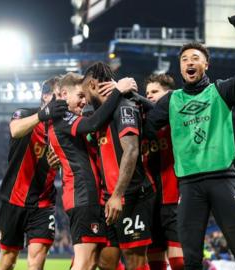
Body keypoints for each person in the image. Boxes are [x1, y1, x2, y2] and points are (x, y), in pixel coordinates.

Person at [145, 14, 235, 270]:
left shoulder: (221, 91)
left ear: (206, 65)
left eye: (195, 58)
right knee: (191, 261)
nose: (189, 62)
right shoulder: (171, 101)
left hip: (222, 179)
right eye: (184, 59)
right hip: (189, 186)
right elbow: (145, 127)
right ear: (180, 68)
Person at [48, 72, 136, 270]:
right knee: (85, 263)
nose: (84, 101)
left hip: (91, 198)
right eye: (80, 96)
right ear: (63, 94)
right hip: (82, 198)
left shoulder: (71, 119)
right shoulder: (63, 117)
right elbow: (93, 122)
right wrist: (118, 91)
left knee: (101, 260)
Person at [82, 62, 154, 270]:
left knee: (135, 260)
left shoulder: (124, 106)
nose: (85, 99)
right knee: (106, 261)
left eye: (86, 91)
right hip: (109, 199)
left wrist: (117, 195)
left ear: (94, 85)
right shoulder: (101, 114)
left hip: (131, 196)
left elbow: (131, 151)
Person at [0, 76, 67, 270]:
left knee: (36, 264)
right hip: (13, 199)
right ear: (46, 96)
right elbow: (15, 130)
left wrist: (61, 162)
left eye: (64, 95)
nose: (63, 99)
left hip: (43, 203)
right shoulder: (24, 114)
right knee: (8, 261)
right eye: (59, 95)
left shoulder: (65, 126)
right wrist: (42, 115)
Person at [142, 74, 184, 270]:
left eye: (154, 92)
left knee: (180, 260)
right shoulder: (142, 124)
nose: (149, 96)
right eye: (147, 93)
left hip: (173, 198)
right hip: (150, 202)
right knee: (154, 257)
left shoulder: (178, 118)